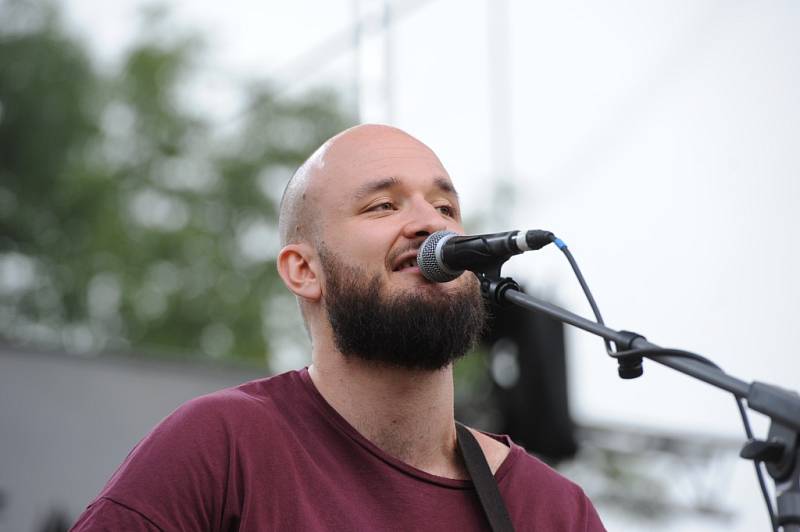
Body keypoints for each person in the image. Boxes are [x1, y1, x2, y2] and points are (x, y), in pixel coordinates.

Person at [71, 124, 605, 531]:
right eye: (383, 206)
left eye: (445, 206)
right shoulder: (222, 448)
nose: (431, 222)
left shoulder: (552, 511)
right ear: (304, 270)